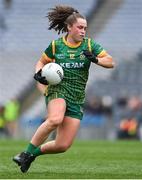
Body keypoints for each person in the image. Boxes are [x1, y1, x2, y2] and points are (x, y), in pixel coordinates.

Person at [13, 5, 115, 173]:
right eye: (80, 27)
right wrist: (38, 72)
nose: (83, 31)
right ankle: (26, 153)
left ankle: (32, 155)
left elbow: (110, 62)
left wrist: (96, 59)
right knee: (55, 119)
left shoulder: (89, 45)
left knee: (62, 145)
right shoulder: (56, 46)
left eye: (85, 28)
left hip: (76, 97)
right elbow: (41, 62)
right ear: (69, 27)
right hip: (57, 90)